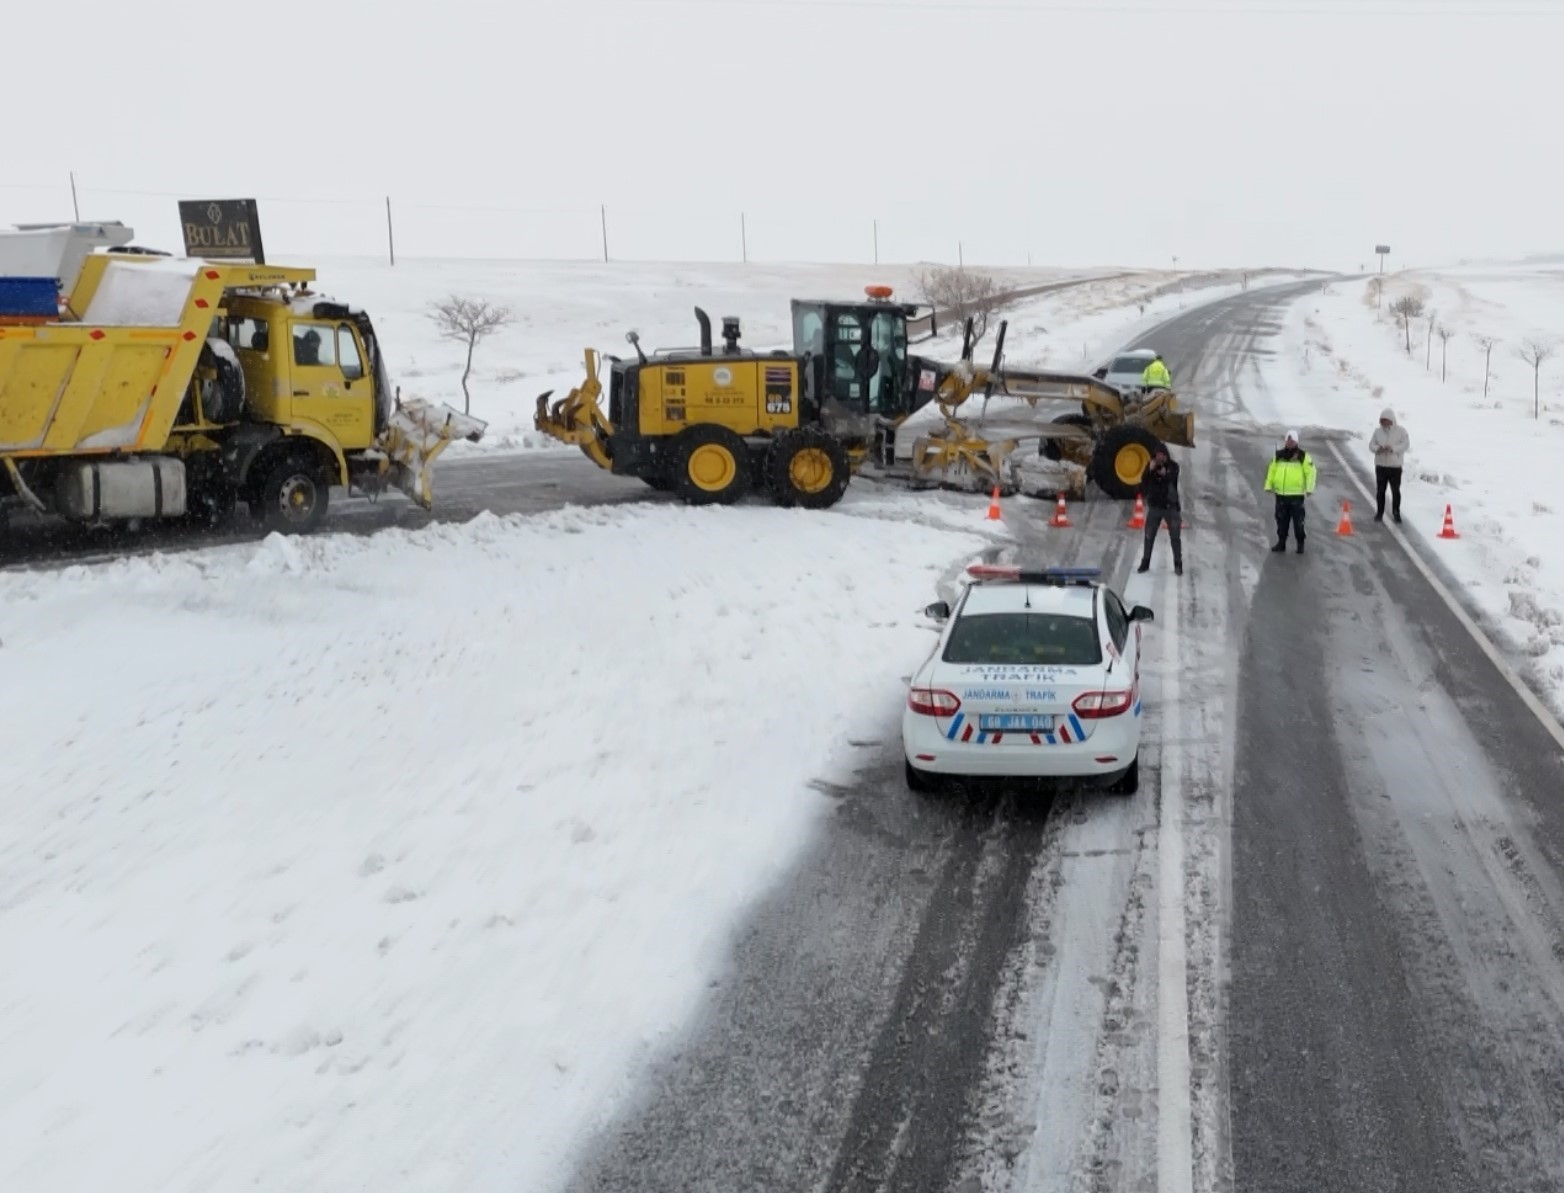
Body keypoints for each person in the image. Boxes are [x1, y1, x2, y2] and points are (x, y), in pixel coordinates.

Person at [1264, 429, 1316, 553]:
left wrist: (1309, 488)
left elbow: (1311, 472)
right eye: (1288, 440)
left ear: (1296, 442)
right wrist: (1268, 485)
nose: (1289, 443)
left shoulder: (1303, 456)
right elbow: (1272, 470)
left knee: (1298, 523)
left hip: (1296, 496)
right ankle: (1281, 543)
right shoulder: (1279, 455)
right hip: (1281, 495)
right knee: (1281, 521)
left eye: (1292, 441)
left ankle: (1300, 543)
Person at [1136, 445, 1183, 576]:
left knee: (1175, 537)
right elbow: (1142, 484)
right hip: (1155, 507)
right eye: (1157, 455)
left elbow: (1173, 478)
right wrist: (1148, 471)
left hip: (1170, 507)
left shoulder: (1173, 466)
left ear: (1166, 456)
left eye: (1162, 455)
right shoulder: (1150, 466)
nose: (1159, 458)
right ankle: (1145, 562)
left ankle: (1178, 564)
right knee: (1149, 535)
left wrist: (1165, 474)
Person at [1369, 407, 1409, 523]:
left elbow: (1405, 445)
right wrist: (1378, 449)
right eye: (1381, 420)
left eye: (1385, 420)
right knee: (1380, 490)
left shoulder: (1401, 431)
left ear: (1391, 420)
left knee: (1395, 490)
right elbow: (1371, 445)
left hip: (1395, 467)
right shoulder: (1377, 431)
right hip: (1381, 465)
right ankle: (1379, 512)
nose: (1383, 422)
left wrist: (1393, 449)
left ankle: (1396, 512)